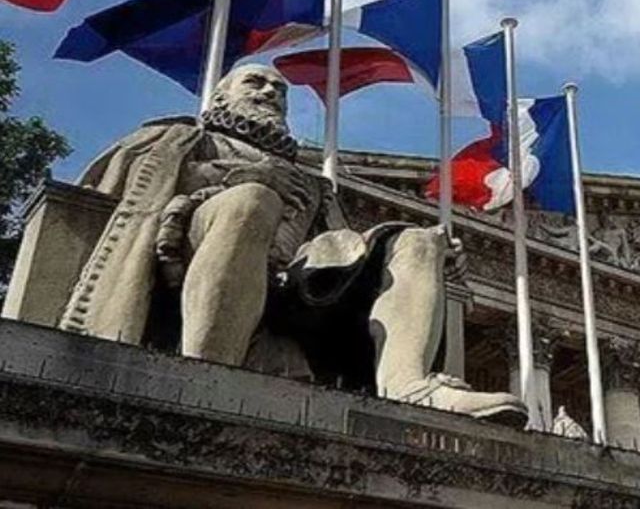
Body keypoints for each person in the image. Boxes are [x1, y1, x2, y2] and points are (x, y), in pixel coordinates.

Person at [58, 65, 524, 424]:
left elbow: (338, 249)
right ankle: (206, 377)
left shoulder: (313, 185)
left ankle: (409, 385)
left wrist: (434, 261)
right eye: (255, 84)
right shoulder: (184, 139)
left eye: (279, 90)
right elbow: (126, 191)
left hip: (291, 288)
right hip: (188, 250)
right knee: (251, 202)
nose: (269, 93)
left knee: (419, 239)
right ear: (220, 95)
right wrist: (248, 177)